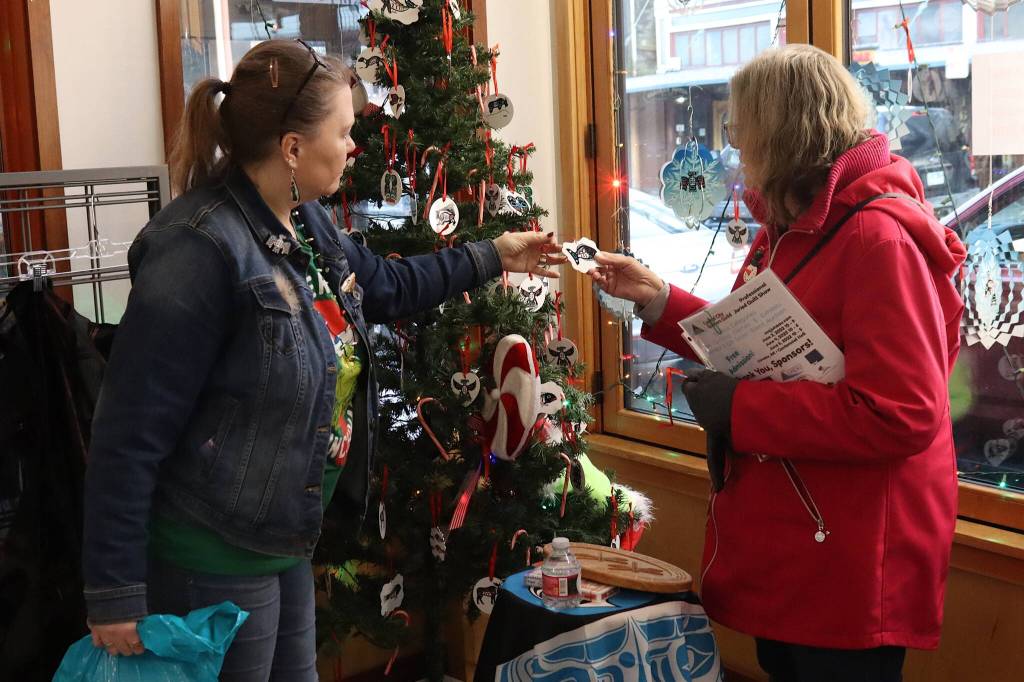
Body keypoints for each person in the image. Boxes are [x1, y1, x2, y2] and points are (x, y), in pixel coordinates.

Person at [81, 39, 564, 680]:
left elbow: (386, 287)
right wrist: (114, 593)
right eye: (343, 131)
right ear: (292, 147)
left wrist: (494, 255)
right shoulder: (196, 250)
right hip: (211, 550)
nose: (353, 146)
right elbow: (126, 433)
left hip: (283, 537)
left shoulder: (307, 225)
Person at [590, 44, 965, 682]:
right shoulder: (798, 226)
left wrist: (741, 408)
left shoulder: (876, 239)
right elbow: (748, 341)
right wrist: (657, 298)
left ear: (781, 133)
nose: (735, 148)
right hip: (804, 541)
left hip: (849, 556)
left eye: (740, 130)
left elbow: (902, 414)